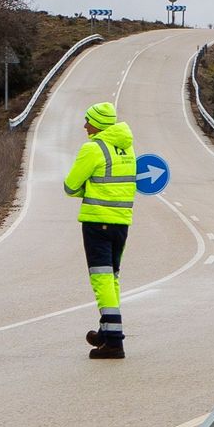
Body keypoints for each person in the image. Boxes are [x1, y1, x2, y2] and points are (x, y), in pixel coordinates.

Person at [63, 101, 137, 359]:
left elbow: (71, 186)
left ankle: (114, 342)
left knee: (101, 279)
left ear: (97, 124)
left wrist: (88, 190)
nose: (85, 126)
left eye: (88, 121)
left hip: (97, 222)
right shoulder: (127, 148)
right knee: (112, 277)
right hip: (121, 223)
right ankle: (107, 332)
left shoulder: (93, 149)